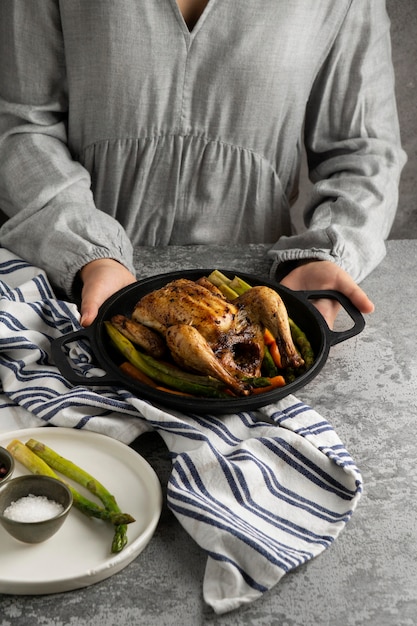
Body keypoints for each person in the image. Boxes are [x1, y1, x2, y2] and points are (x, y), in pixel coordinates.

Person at [0, 1, 406, 329]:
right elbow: (20, 125)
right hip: (71, 290)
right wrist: (88, 253)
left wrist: (327, 254)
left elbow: (363, 150)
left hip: (252, 301)